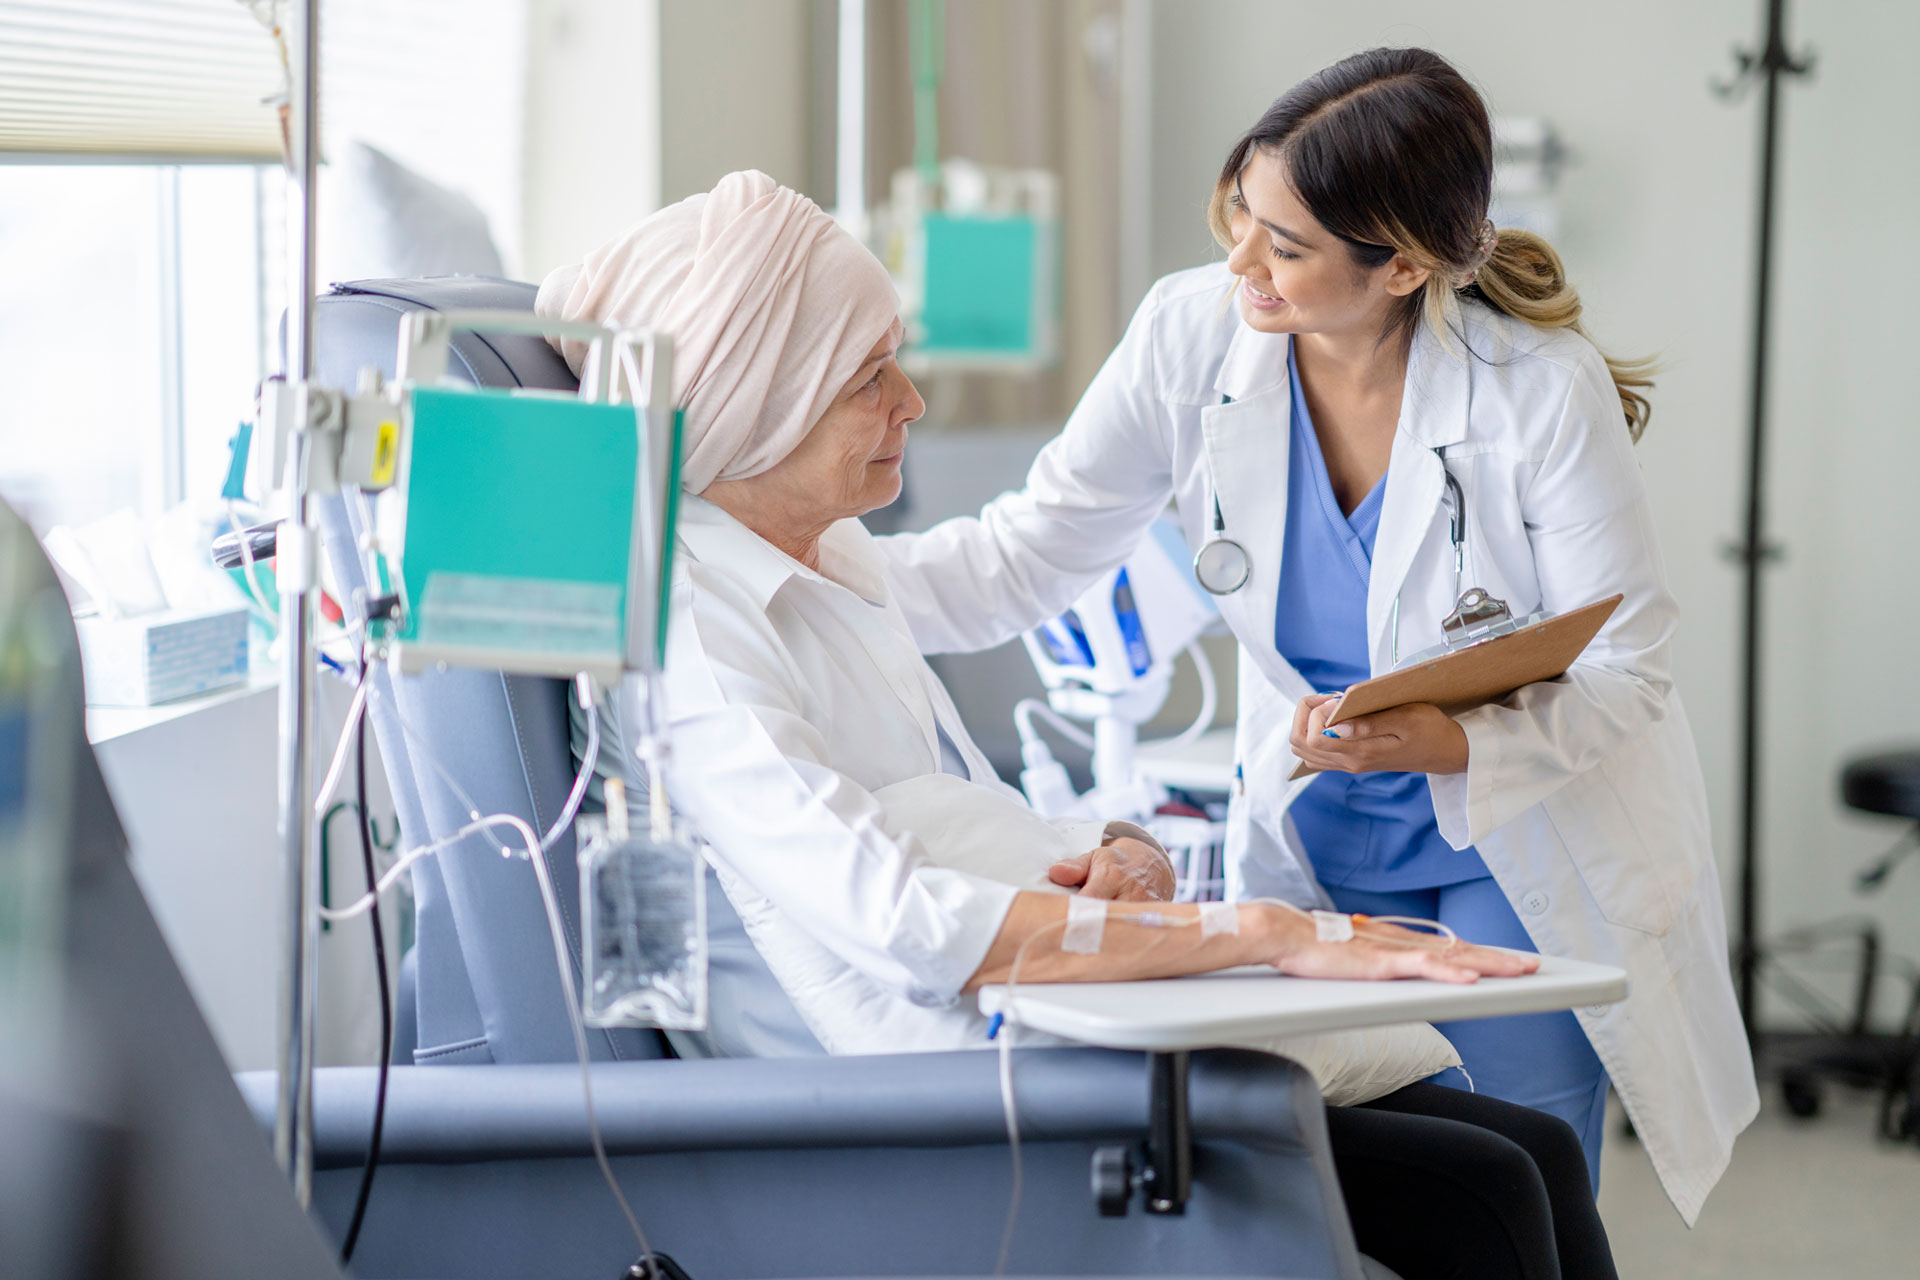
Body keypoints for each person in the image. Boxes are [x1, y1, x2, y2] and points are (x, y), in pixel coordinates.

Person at [538, 168, 1619, 1279]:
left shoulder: (836, 566)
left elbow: (969, 814)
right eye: (870, 377)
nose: (911, 401)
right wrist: (1270, 933)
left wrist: (1117, 851)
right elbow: (902, 916)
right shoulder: (691, 637)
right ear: (756, 408)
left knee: (1527, 1146)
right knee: (1487, 1191)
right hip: (944, 1103)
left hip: (1051, 1032)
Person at [877, 47, 1756, 1219]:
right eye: (1241, 216)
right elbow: (1029, 549)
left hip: (1520, 828)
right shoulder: (1192, 334)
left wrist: (1444, 741)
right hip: (1326, 824)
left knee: (1526, 1171)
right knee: (1351, 1172)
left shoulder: (1538, 388)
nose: (1241, 262)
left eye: (1283, 246)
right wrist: (815, 581)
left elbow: (1629, 664)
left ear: (1399, 264)